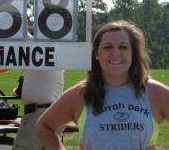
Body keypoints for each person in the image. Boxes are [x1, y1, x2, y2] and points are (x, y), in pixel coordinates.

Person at [35, 20, 169, 150]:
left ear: (132, 53)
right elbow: (44, 126)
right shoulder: (80, 94)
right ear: (96, 54)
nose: (115, 53)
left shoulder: (155, 92)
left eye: (123, 47)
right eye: (107, 47)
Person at [12, 27, 64, 150]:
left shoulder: (39, 47)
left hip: (39, 113)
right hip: (54, 111)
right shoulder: (53, 52)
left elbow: (17, 31)